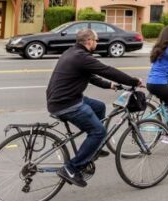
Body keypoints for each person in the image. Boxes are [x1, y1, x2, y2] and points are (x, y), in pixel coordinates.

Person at [46, 28, 143, 188]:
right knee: (99, 132)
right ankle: (70, 168)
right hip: (67, 104)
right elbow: (107, 70)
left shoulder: (72, 52)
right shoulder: (82, 57)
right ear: (89, 41)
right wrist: (133, 81)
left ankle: (93, 148)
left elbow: (90, 76)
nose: (97, 43)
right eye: (96, 40)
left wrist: (111, 85)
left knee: (99, 107)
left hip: (63, 99)